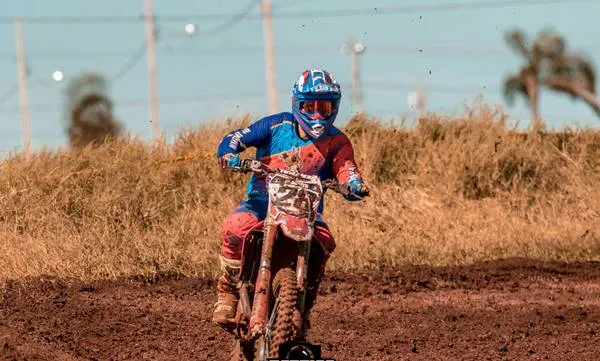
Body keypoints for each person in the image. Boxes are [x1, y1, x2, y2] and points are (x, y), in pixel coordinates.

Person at [212, 68, 370, 330]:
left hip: (306, 208)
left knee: (325, 242)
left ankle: (305, 301)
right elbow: (237, 137)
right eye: (310, 106)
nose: (317, 114)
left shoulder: (338, 141)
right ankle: (228, 288)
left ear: (336, 107)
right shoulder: (276, 125)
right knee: (235, 227)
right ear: (298, 104)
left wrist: (354, 185)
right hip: (262, 201)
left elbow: (347, 169)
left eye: (325, 106)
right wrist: (229, 154)